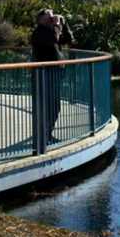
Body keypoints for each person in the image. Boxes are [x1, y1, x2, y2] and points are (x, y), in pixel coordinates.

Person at [30, 9, 74, 143]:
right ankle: (41, 137)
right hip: (44, 73)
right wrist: (56, 25)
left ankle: (47, 134)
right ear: (40, 19)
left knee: (54, 106)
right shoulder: (39, 32)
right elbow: (54, 39)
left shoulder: (53, 30)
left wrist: (64, 24)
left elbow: (69, 39)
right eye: (49, 16)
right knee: (46, 106)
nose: (52, 17)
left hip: (55, 72)